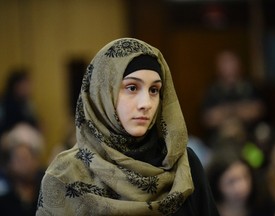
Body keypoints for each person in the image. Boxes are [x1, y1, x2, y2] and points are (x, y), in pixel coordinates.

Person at [36, 38, 219, 215]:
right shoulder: (64, 175)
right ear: (103, 93)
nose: (146, 103)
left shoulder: (183, 163)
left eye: (154, 90)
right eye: (132, 87)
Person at [201, 50, 265, 147]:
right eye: (224, 63)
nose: (228, 67)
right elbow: (209, 118)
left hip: (249, 141)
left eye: (231, 62)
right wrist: (239, 110)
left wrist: (225, 112)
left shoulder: (250, 87)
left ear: (239, 64)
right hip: (219, 143)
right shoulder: (212, 91)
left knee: (256, 158)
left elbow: (257, 110)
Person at [206, 150, 256, 216]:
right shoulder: (206, 211)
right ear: (216, 185)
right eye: (231, 181)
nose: (241, 187)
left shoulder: (264, 207)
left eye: (245, 177)